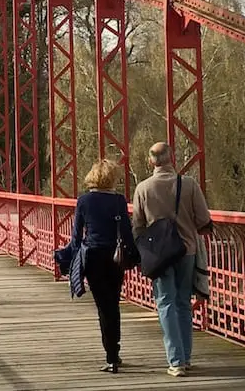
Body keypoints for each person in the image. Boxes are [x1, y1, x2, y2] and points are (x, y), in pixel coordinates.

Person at [132, 142, 212, 377]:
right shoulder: (188, 184)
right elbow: (204, 219)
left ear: (151, 161)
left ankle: (175, 361)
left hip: (159, 255)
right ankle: (185, 357)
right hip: (186, 250)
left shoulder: (143, 188)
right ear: (172, 158)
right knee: (183, 302)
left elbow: (137, 225)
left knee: (165, 302)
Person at [73, 158, 137, 373]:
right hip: (115, 257)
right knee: (113, 303)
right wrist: (135, 255)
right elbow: (126, 231)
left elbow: (76, 235)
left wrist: (72, 260)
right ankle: (114, 353)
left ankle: (111, 356)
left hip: (93, 256)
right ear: (112, 178)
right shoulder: (119, 201)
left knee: (103, 305)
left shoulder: (83, 201)